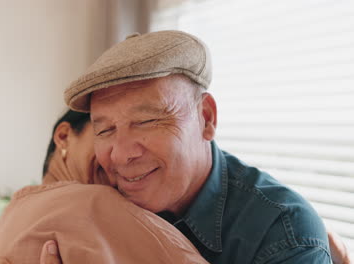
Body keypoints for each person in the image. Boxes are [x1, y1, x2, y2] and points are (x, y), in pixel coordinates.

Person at [51, 30, 339, 263]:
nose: (122, 155)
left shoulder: (282, 236)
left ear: (206, 118)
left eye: (147, 120)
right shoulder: (101, 200)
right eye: (104, 129)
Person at [0, 109, 208, 264]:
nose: (118, 155)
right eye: (104, 132)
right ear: (64, 136)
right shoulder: (92, 203)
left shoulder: (11, 216)